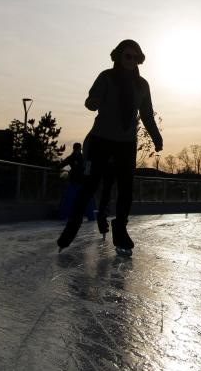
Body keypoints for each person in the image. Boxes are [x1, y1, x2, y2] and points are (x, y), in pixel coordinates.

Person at [57, 39, 163, 253]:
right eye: (127, 56)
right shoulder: (107, 77)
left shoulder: (142, 85)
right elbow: (90, 101)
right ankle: (73, 224)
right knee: (89, 185)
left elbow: (147, 114)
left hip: (126, 143)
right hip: (101, 140)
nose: (131, 61)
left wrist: (156, 137)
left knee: (126, 189)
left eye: (135, 57)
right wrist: (93, 101)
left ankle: (120, 228)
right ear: (118, 56)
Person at [57, 142, 95, 221]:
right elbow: (63, 163)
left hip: (83, 182)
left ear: (80, 149)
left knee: (87, 200)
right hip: (73, 182)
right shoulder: (71, 157)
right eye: (76, 149)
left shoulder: (84, 158)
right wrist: (56, 167)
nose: (77, 150)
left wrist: (88, 176)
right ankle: (63, 215)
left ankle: (90, 216)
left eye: (78, 149)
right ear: (74, 149)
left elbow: (88, 166)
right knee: (68, 199)